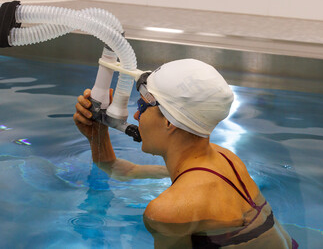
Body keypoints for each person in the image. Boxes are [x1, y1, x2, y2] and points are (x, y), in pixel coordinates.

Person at [73, 59, 298, 248]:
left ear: (170, 121)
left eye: (141, 108)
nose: (135, 117)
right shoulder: (225, 159)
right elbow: (125, 170)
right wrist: (97, 134)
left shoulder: (167, 212)